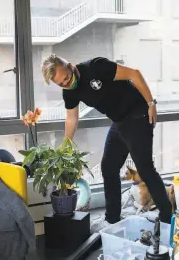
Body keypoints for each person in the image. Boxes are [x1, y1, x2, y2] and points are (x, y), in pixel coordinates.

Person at [41, 55, 172, 232]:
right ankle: (112, 219)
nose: (66, 83)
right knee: (108, 167)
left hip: (138, 115)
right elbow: (72, 117)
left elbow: (134, 74)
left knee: (145, 169)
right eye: (61, 84)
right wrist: (67, 143)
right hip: (119, 122)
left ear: (71, 67)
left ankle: (165, 220)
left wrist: (151, 103)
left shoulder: (96, 67)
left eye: (67, 78)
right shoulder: (69, 91)